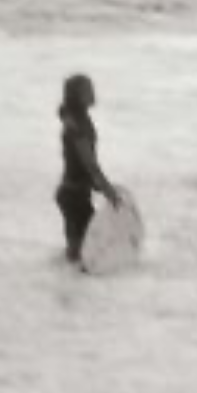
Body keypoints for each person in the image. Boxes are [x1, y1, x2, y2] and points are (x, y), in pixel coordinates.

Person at [55, 73, 120, 263]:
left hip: (74, 194)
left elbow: (81, 163)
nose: (93, 93)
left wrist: (97, 185)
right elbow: (89, 163)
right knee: (81, 256)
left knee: (78, 256)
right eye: (88, 90)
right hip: (74, 197)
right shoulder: (77, 125)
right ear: (78, 96)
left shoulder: (75, 119)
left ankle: (60, 281)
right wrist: (108, 190)